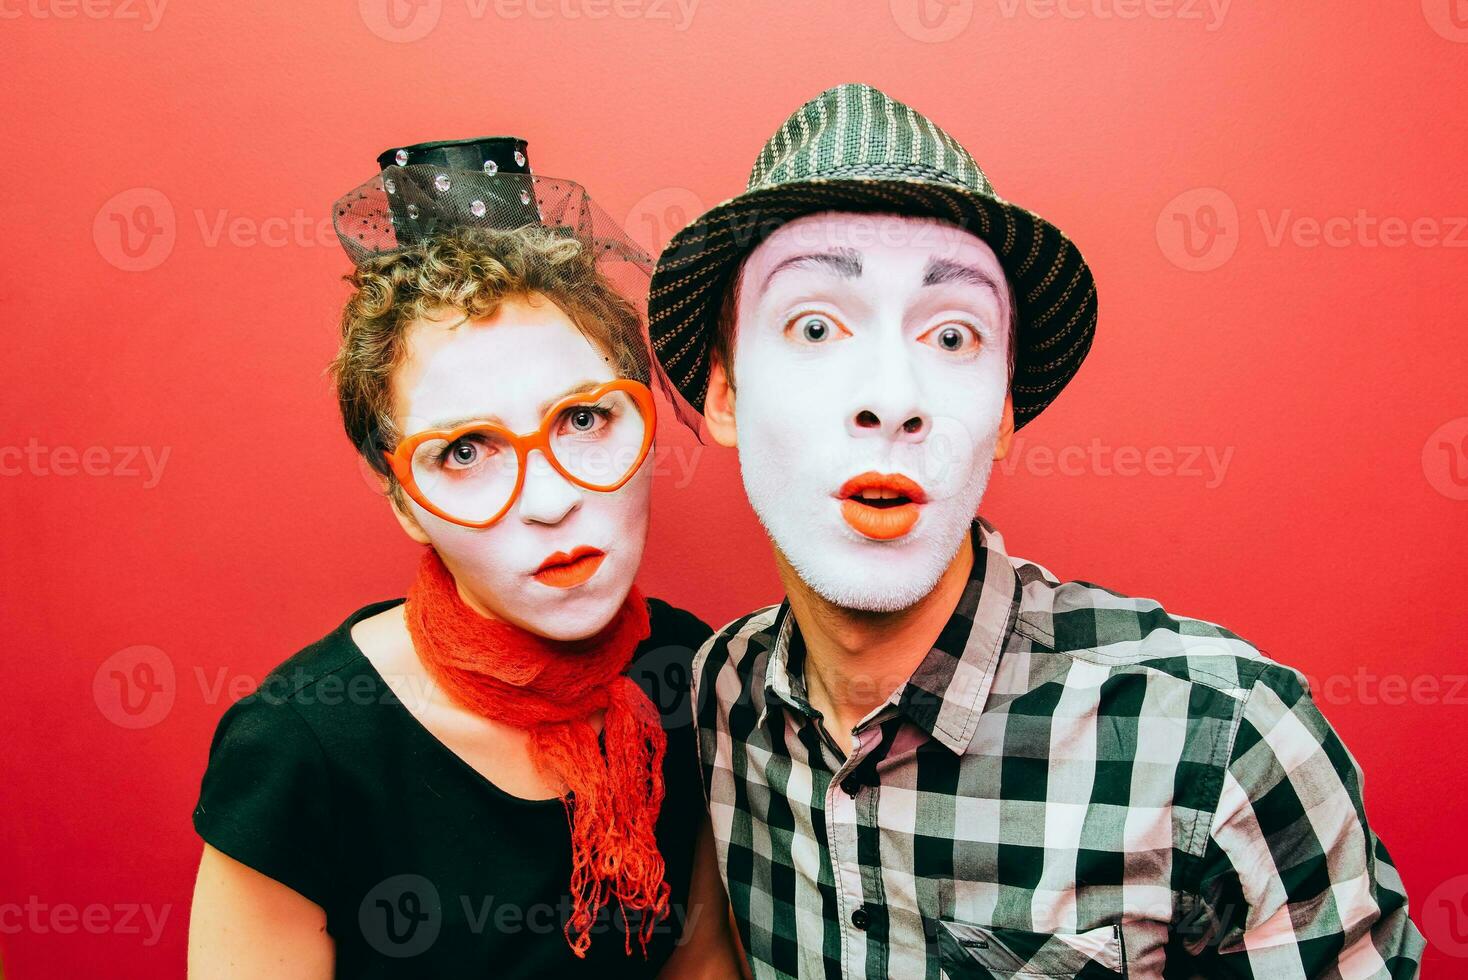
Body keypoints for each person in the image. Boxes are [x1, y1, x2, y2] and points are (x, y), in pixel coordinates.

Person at [646, 83, 1424, 978]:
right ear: (724, 395)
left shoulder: (1227, 741)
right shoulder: (722, 693)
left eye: (952, 338)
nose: (892, 401)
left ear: (1006, 409)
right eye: (815, 325)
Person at [188, 136, 741, 978]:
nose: (550, 499)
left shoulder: (686, 672)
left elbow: (698, 966)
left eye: (585, 419)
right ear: (404, 498)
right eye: (465, 451)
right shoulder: (303, 749)